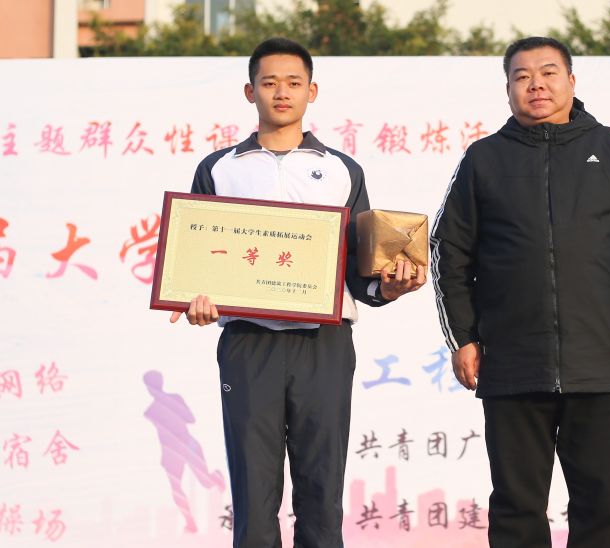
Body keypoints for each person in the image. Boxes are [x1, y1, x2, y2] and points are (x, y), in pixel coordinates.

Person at [169, 38, 426, 548]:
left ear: (312, 91)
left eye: (293, 82)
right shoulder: (219, 168)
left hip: (323, 344)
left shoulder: (343, 170)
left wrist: (387, 287)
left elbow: (359, 271)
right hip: (248, 342)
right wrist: (196, 300)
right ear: (250, 92)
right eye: (269, 82)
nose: (281, 92)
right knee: (254, 494)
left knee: (322, 493)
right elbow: (197, 261)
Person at [431, 37, 610, 548]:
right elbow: (448, 251)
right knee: (516, 509)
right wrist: (464, 338)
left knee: (603, 509)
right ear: (508, 89)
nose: (535, 85)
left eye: (548, 73)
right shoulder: (483, 158)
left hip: (600, 359)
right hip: (511, 364)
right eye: (522, 76)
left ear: (571, 81)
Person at [143, 370, 225, 533]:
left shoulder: (175, 399)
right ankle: (190, 522)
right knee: (176, 488)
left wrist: (171, 405)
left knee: (205, 483)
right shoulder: (150, 411)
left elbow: (190, 419)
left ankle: (216, 477)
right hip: (172, 452)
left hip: (188, 445)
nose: (153, 387)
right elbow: (164, 434)